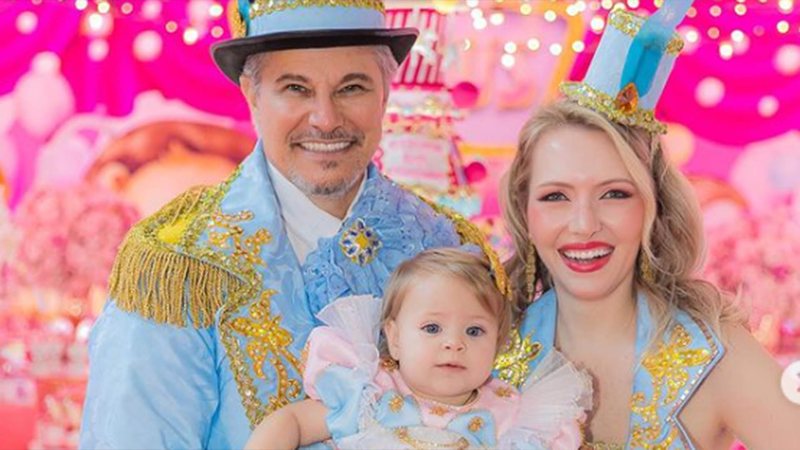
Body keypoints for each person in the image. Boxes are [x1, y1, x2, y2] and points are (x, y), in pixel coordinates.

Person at [79, 2, 497, 448]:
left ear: (385, 93)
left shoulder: (448, 245)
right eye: (296, 88)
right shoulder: (178, 265)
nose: (325, 118)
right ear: (251, 94)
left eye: (351, 87)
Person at [497, 6, 800, 450]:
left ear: (653, 205)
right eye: (555, 197)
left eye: (615, 194)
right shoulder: (485, 342)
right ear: (525, 212)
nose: (583, 225)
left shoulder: (714, 355)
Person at [245, 248, 591, 450]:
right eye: (431, 328)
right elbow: (292, 420)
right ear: (394, 338)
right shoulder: (371, 392)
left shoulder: (509, 413)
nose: (453, 343)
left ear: (498, 343)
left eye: (474, 330)